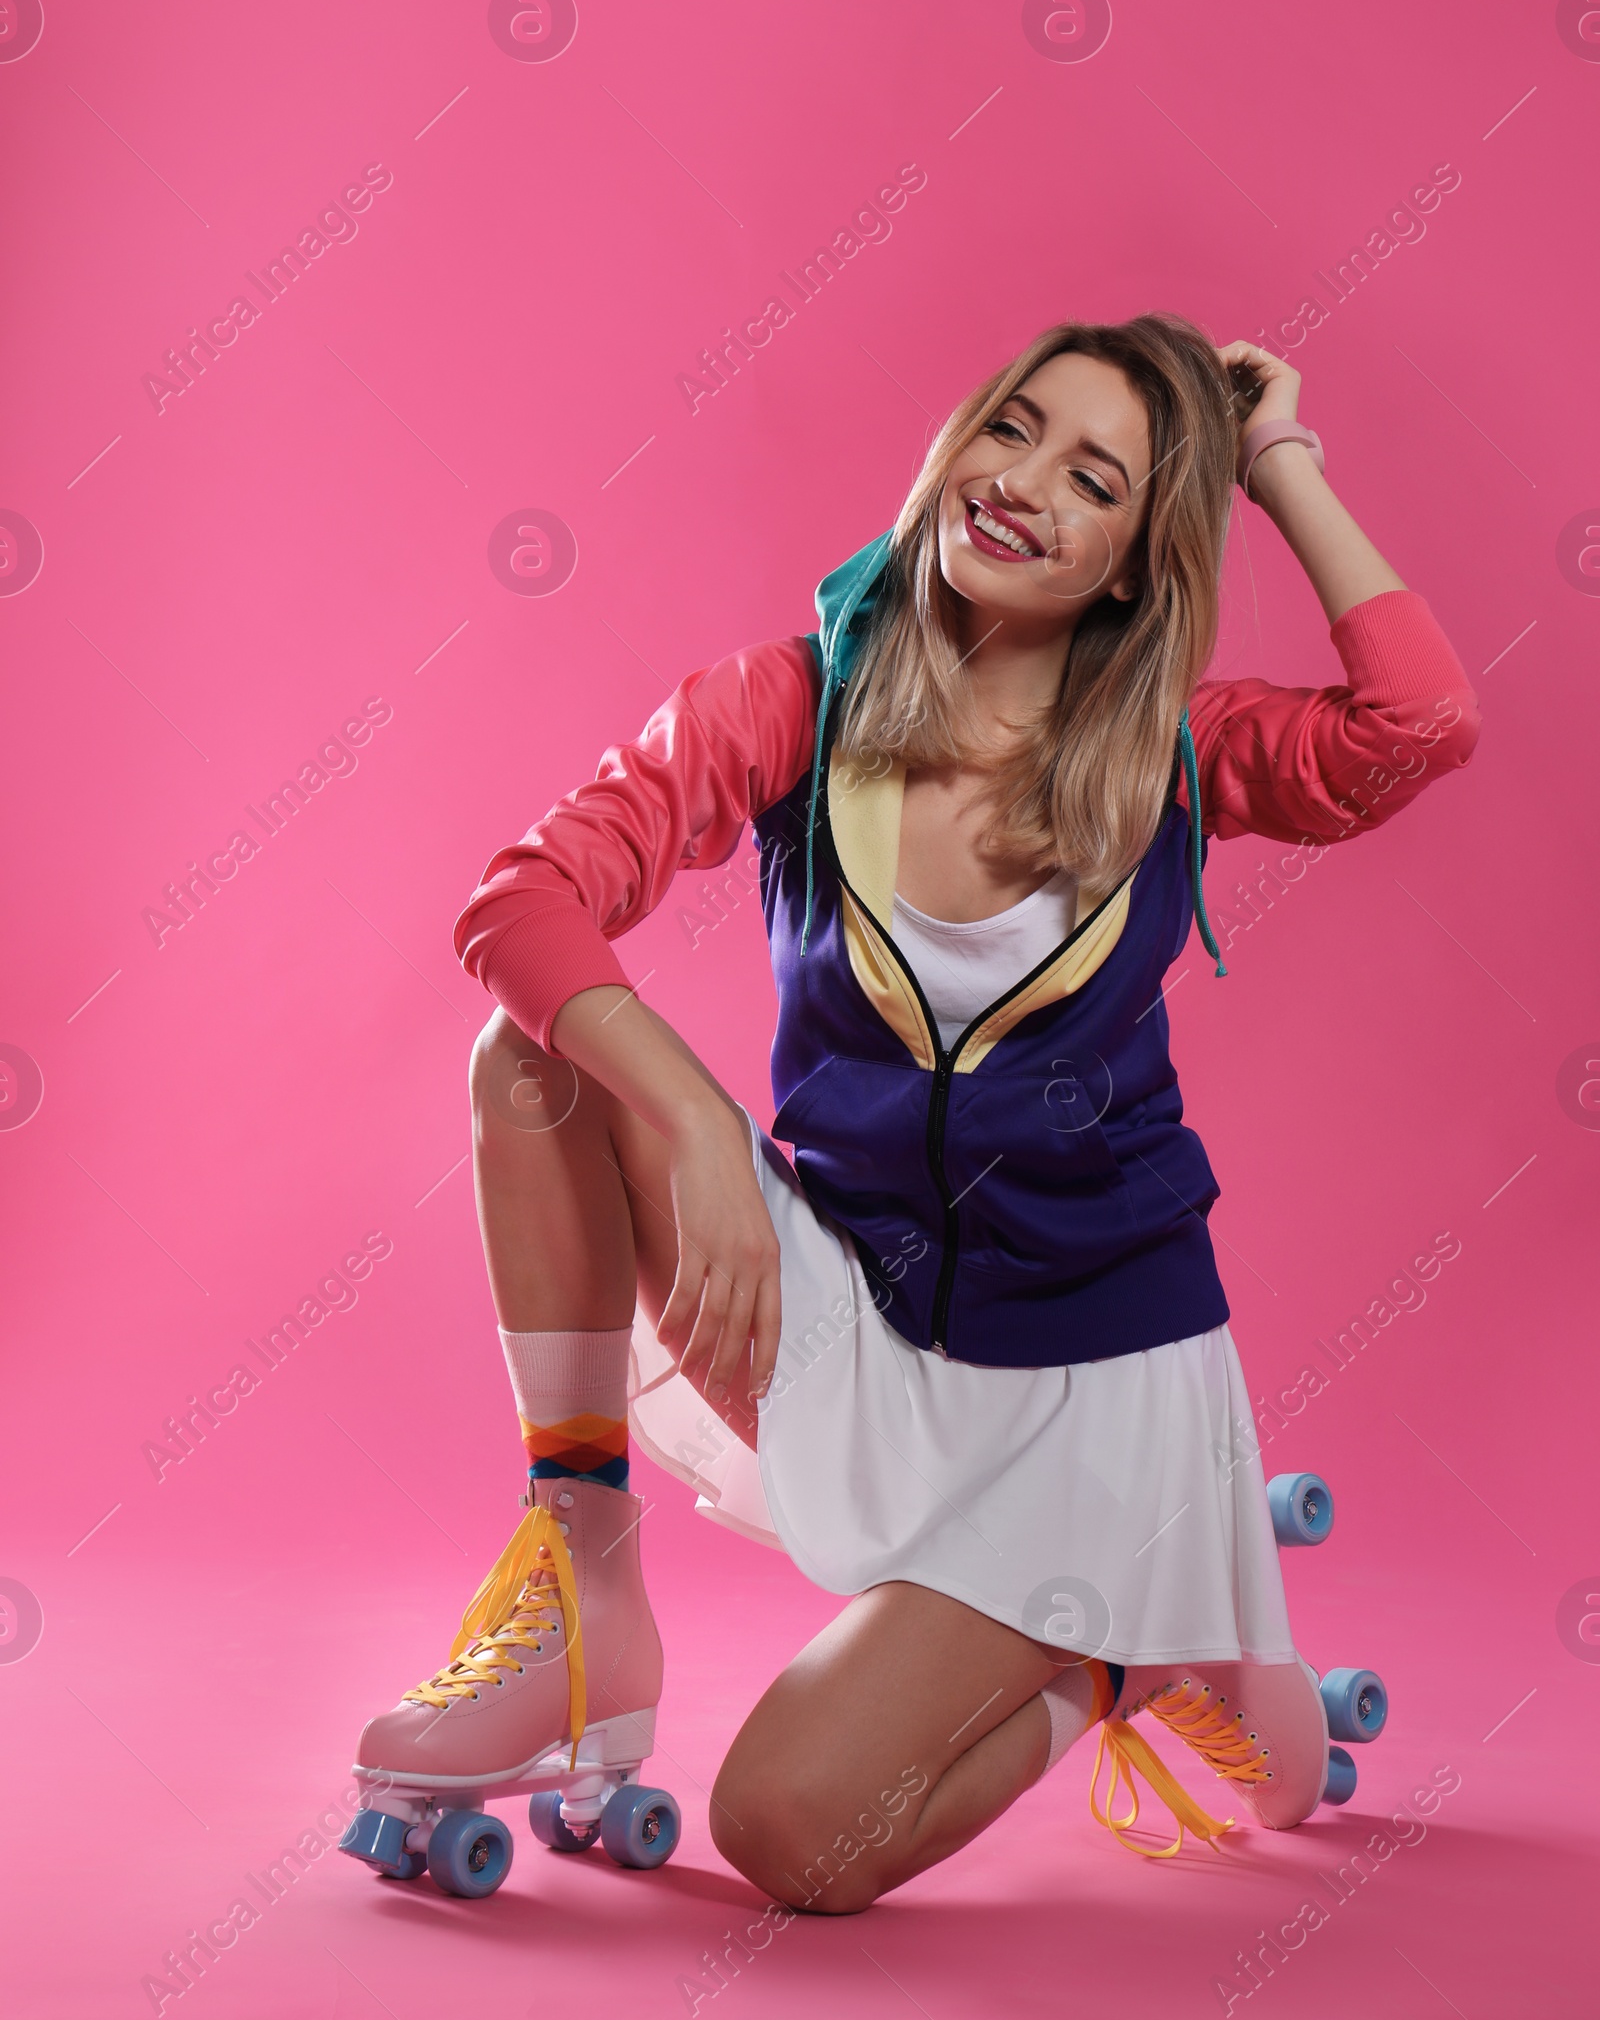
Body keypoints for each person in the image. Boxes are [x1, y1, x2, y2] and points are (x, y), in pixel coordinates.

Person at [347, 317, 1479, 1907]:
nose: (1020, 484)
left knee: (802, 1840)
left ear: (1135, 569)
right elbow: (521, 899)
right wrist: (679, 1108)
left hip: (1095, 1398)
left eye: (1091, 479)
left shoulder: (1176, 756)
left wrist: (1272, 460)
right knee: (525, 1058)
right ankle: (577, 1585)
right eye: (1011, 429)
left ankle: (1129, 1657)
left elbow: (1419, 728)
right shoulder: (796, 701)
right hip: (850, 1322)